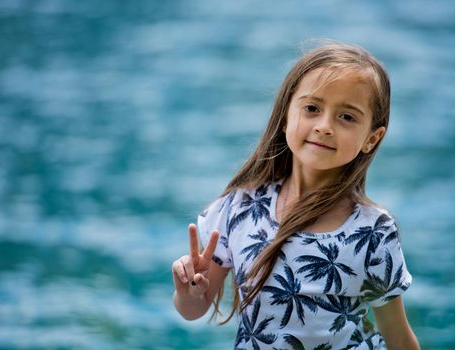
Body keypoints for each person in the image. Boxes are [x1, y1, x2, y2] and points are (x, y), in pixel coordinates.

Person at [172, 41, 420, 350]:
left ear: (372, 138)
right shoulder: (238, 209)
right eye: (312, 108)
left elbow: (397, 335)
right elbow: (194, 309)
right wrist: (189, 292)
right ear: (287, 115)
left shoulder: (372, 232)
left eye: (347, 117)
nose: (325, 126)